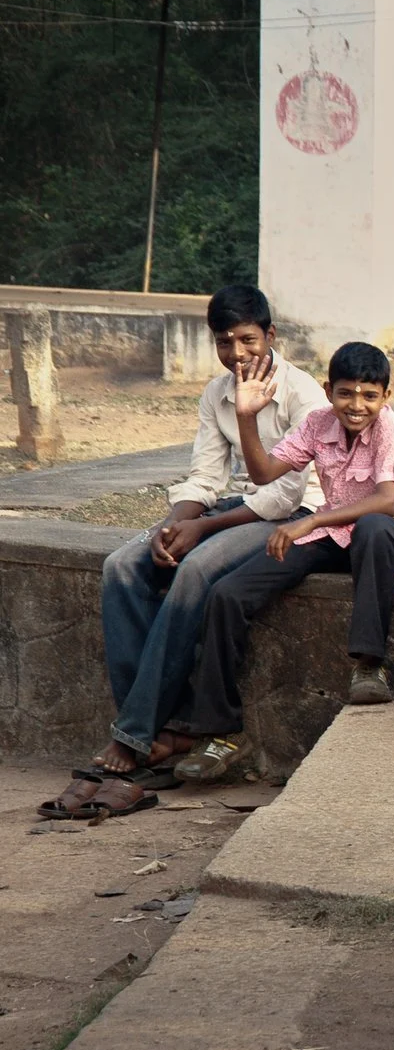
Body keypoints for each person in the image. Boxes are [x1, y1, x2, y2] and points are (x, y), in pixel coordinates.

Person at [51, 287, 327, 819]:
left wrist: (204, 531)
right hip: (235, 505)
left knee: (196, 569)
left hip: (294, 516)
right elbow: (204, 475)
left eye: (248, 339)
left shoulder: (304, 396)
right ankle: (169, 727)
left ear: (271, 336)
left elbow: (285, 494)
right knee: (125, 564)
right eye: (225, 342)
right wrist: (177, 523)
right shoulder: (216, 393)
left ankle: (135, 735)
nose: (238, 353)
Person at [152, 342, 394, 784]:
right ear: (328, 391)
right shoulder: (318, 423)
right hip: (335, 536)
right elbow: (263, 474)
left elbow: (389, 500)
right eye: (345, 394)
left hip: (389, 539)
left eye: (369, 396)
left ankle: (369, 667)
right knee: (227, 593)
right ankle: (219, 731)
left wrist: (311, 519)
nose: (356, 405)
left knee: (374, 527)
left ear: (385, 397)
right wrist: (245, 416)